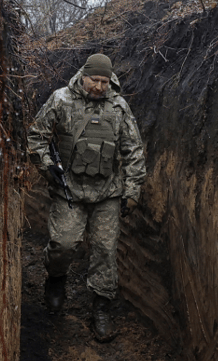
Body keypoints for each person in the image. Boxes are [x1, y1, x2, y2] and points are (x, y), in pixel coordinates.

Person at [26, 53, 146, 342]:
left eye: (105, 81)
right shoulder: (61, 100)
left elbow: (134, 150)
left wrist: (132, 192)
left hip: (107, 192)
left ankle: (101, 309)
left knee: (105, 250)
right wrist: (47, 167)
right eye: (95, 80)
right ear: (83, 76)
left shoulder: (118, 106)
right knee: (63, 245)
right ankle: (55, 279)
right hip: (70, 190)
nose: (100, 87)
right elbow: (36, 138)